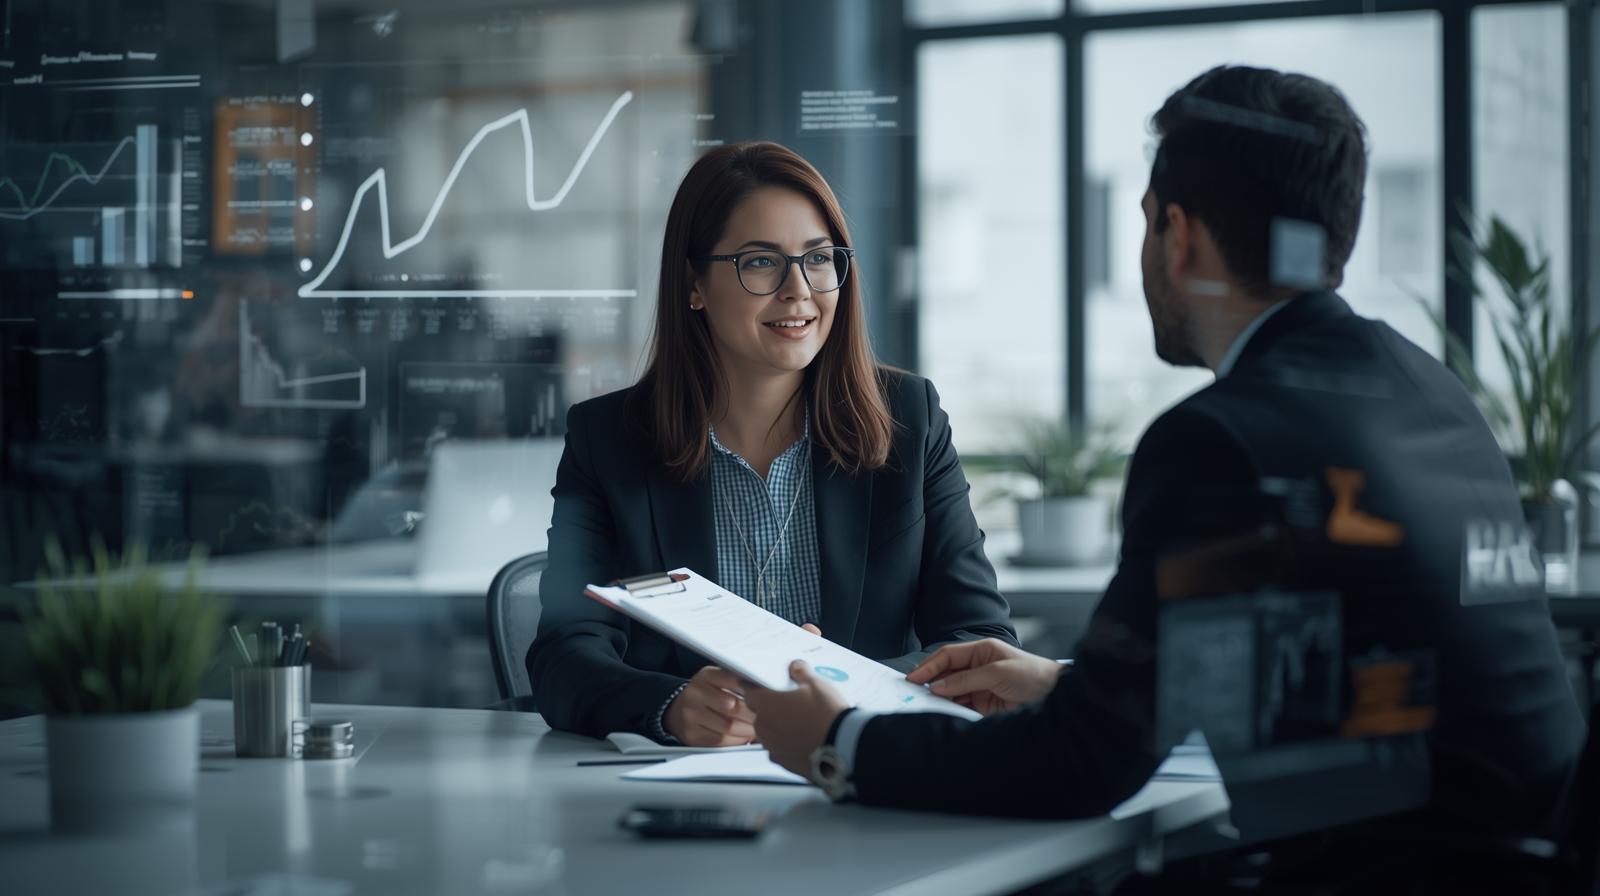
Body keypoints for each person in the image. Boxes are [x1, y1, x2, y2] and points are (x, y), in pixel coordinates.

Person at [745, 65, 1585, 845]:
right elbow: (1340, 669)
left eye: (1146, 220)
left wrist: (838, 740)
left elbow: (1076, 767)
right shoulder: (1425, 388)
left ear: (1178, 235)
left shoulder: (1219, 440)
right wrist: (1076, 685)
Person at [527, 142, 1017, 747]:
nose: (798, 290)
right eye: (760, 262)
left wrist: (840, 690)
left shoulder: (908, 421)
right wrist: (672, 706)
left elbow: (979, 639)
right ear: (694, 284)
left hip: (863, 770)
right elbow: (564, 657)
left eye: (818, 259)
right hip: (686, 784)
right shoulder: (610, 440)